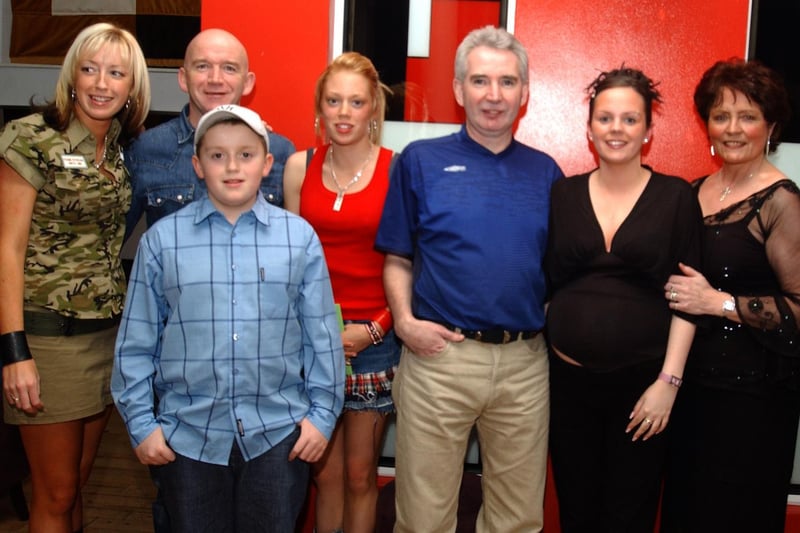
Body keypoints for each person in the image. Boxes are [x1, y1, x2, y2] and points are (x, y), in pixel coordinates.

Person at [111, 104, 345, 532]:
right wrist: (142, 424)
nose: (232, 166)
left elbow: (322, 338)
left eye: (246, 154)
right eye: (217, 156)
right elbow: (137, 341)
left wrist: (322, 416)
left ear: (267, 163)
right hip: (188, 437)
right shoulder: (163, 241)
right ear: (198, 165)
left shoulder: (299, 239)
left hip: (278, 435)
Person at [374, 26, 563, 532]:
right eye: (480, 81)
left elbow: (561, 267)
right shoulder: (420, 162)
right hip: (441, 361)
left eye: (507, 82)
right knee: (423, 515)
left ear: (524, 92)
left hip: (524, 367)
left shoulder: (547, 174)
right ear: (459, 90)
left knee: (517, 518)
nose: (494, 95)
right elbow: (396, 257)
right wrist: (405, 323)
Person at [0, 22, 150, 533]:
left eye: (115, 73)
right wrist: (14, 352)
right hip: (48, 340)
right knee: (56, 492)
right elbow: (7, 248)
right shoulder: (30, 137)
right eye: (89, 69)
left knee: (74, 488)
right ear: (72, 76)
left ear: (133, 87)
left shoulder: (124, 150)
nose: (101, 83)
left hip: (107, 337)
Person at [544, 67, 702, 533]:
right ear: (589, 129)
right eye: (606, 118)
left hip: (644, 387)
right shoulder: (562, 194)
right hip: (566, 384)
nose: (617, 129)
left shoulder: (676, 197)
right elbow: (546, 286)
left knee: (628, 515)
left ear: (648, 130)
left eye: (630, 119)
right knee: (576, 510)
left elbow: (689, 298)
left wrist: (668, 385)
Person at [660, 59, 800, 533]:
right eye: (721, 116)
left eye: (748, 116)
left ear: (771, 126)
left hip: (754, 403)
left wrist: (718, 302)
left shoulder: (781, 202)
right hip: (689, 393)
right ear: (707, 126)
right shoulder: (692, 193)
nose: (733, 129)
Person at [283, 52, 399, 533]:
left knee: (359, 476)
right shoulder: (297, 167)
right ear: (320, 108)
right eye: (334, 101)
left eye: (356, 101)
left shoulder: (398, 170)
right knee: (322, 474)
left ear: (373, 109)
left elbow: (410, 268)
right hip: (310, 344)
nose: (345, 112)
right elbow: (289, 261)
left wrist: (371, 330)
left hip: (373, 343)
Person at [124, 28, 294, 240]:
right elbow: (111, 241)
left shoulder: (280, 152)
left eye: (229, 68)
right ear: (184, 78)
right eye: (202, 66)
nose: (215, 79)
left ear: (248, 82)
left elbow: (291, 243)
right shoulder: (147, 149)